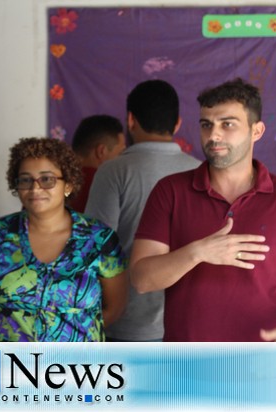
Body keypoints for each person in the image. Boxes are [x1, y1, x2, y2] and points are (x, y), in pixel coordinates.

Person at [130, 78, 276, 342]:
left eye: (228, 124)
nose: (214, 135)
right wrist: (198, 252)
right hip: (187, 361)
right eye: (206, 125)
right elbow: (142, 279)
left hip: (266, 357)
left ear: (256, 131)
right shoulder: (170, 191)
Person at [0, 137, 127, 342]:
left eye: (47, 179)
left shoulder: (98, 239)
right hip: (9, 366)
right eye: (26, 179)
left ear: (68, 185)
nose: (35, 188)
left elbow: (114, 308)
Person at [85, 80, 201, 342]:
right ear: (178, 123)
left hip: (127, 320)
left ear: (130, 120)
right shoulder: (199, 172)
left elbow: (95, 247)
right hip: (186, 319)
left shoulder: (114, 171)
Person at [69, 114, 126, 212]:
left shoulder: (57, 179)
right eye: (121, 153)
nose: (123, 159)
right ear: (101, 151)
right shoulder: (104, 184)